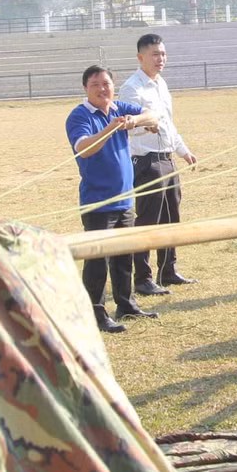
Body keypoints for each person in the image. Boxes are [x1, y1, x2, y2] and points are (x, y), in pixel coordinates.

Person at [65, 65, 161, 333]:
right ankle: (96, 314)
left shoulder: (119, 107)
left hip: (124, 200)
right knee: (97, 261)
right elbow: (84, 149)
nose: (102, 89)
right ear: (85, 88)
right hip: (98, 202)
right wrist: (110, 128)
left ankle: (126, 304)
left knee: (123, 257)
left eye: (106, 83)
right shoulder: (79, 116)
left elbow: (153, 115)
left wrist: (135, 122)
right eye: (95, 84)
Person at [119, 33, 198, 295]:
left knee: (171, 217)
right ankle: (143, 279)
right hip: (146, 161)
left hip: (167, 158)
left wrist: (183, 151)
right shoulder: (132, 88)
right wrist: (145, 127)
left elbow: (168, 124)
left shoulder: (161, 84)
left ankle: (168, 270)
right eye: (155, 54)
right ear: (141, 57)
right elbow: (129, 127)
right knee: (148, 221)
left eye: (163, 53)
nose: (160, 58)